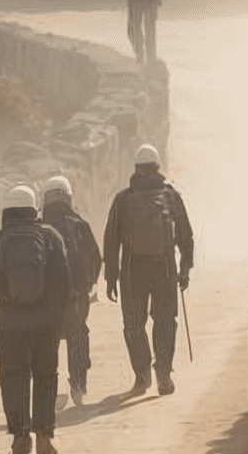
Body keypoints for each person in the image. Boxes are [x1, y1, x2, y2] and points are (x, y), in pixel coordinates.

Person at [0, 184, 73, 454]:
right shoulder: (51, 237)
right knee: (45, 375)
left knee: (13, 376)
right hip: (45, 322)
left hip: (9, 323)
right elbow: (65, 283)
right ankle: (44, 435)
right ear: (34, 209)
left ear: (6, 211)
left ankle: (20, 437)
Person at [103, 144, 195, 397]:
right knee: (165, 320)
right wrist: (185, 267)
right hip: (165, 267)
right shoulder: (171, 196)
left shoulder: (123, 199)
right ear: (157, 167)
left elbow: (111, 241)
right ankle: (163, 373)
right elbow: (185, 235)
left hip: (132, 270)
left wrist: (110, 277)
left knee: (134, 323)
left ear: (136, 168)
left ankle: (142, 375)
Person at [39, 174, 104, 407]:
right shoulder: (79, 225)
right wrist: (88, 285)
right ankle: (78, 386)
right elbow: (96, 258)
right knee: (77, 334)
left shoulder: (38, 229)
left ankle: (50, 391)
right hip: (76, 297)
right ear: (68, 197)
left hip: (45, 298)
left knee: (47, 342)